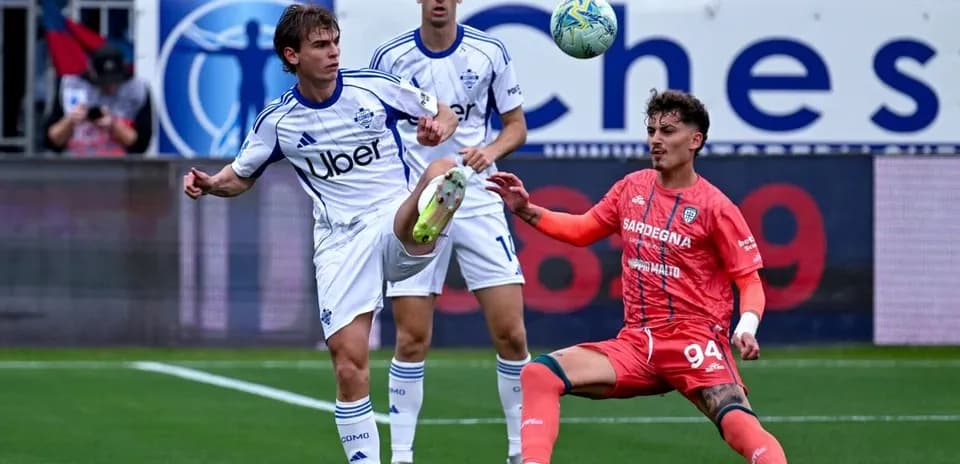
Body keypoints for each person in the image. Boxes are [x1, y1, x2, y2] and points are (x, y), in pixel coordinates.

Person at [182, 5, 464, 463]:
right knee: (348, 364)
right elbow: (241, 174)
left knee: (443, 168)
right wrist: (210, 185)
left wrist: (438, 127)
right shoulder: (279, 121)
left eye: (334, 42)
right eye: (320, 45)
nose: (333, 52)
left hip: (390, 217)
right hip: (339, 242)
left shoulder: (373, 88)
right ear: (292, 56)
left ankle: (427, 218)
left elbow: (445, 114)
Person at [486, 90, 788, 464]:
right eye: (651, 130)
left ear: (695, 140)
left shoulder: (716, 207)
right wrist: (526, 210)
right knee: (538, 373)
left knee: (739, 426)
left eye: (668, 131)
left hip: (693, 343)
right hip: (638, 344)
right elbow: (583, 229)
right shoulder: (633, 187)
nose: (656, 140)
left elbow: (749, 280)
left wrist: (746, 326)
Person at [369, 1, 529, 462]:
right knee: (411, 338)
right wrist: (415, 140)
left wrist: (490, 149)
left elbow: (516, 125)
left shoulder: (489, 52)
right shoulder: (391, 58)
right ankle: (401, 456)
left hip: (477, 197)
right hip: (420, 200)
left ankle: (520, 452)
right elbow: (380, 128)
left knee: (512, 334)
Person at [45, 45, 152, 156]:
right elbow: (52, 141)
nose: (110, 87)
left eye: (115, 81)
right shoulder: (72, 86)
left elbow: (140, 145)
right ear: (92, 72)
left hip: (120, 165)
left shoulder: (136, 90)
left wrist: (113, 125)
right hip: (76, 162)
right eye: (104, 82)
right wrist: (71, 120)